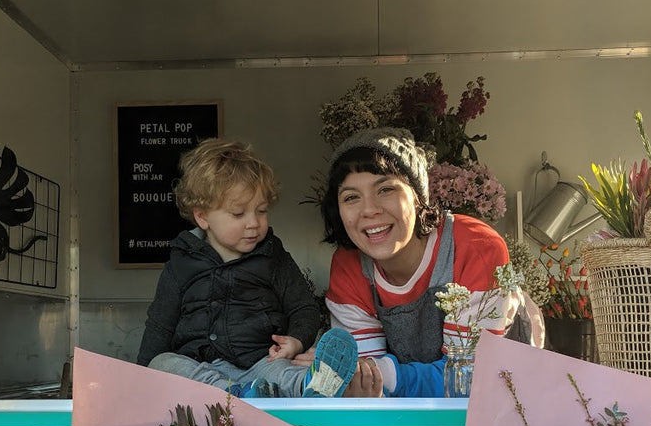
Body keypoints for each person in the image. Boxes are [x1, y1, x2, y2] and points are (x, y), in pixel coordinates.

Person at [317, 127, 530, 397]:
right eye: (351, 197)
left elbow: (467, 381)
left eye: (385, 189)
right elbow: (367, 386)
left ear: (419, 197)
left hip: (508, 395)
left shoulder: (475, 247)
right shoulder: (348, 266)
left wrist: (383, 374)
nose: (369, 210)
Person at [138, 138, 359, 398]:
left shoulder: (273, 256)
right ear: (202, 216)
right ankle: (233, 395)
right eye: (238, 213)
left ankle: (313, 384)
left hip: (261, 365)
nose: (253, 223)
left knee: (282, 371)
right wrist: (140, 380)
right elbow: (160, 327)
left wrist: (297, 341)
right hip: (201, 370)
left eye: (261, 211)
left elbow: (303, 308)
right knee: (162, 363)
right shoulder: (180, 264)